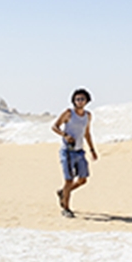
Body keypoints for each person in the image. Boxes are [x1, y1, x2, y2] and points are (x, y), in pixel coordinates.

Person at [50, 88, 98, 218]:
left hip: (79, 151)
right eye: (77, 99)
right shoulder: (68, 113)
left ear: (87, 100)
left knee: (83, 180)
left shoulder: (88, 115)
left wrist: (92, 150)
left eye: (82, 99)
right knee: (69, 180)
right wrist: (65, 135)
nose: (80, 101)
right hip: (68, 151)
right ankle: (66, 208)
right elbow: (54, 126)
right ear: (74, 101)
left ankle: (63, 193)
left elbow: (87, 133)